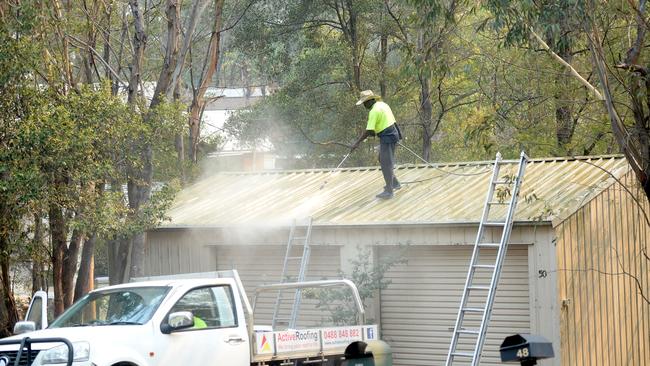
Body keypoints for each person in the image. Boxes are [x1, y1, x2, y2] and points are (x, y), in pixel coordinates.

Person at [351, 90, 401, 199]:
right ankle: (395, 183)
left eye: (364, 103)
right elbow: (391, 121)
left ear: (370, 101)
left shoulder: (373, 111)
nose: (364, 105)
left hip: (388, 137)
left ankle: (389, 191)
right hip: (393, 134)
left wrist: (356, 143)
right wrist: (398, 136)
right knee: (382, 159)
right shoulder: (383, 104)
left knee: (385, 163)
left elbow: (369, 131)